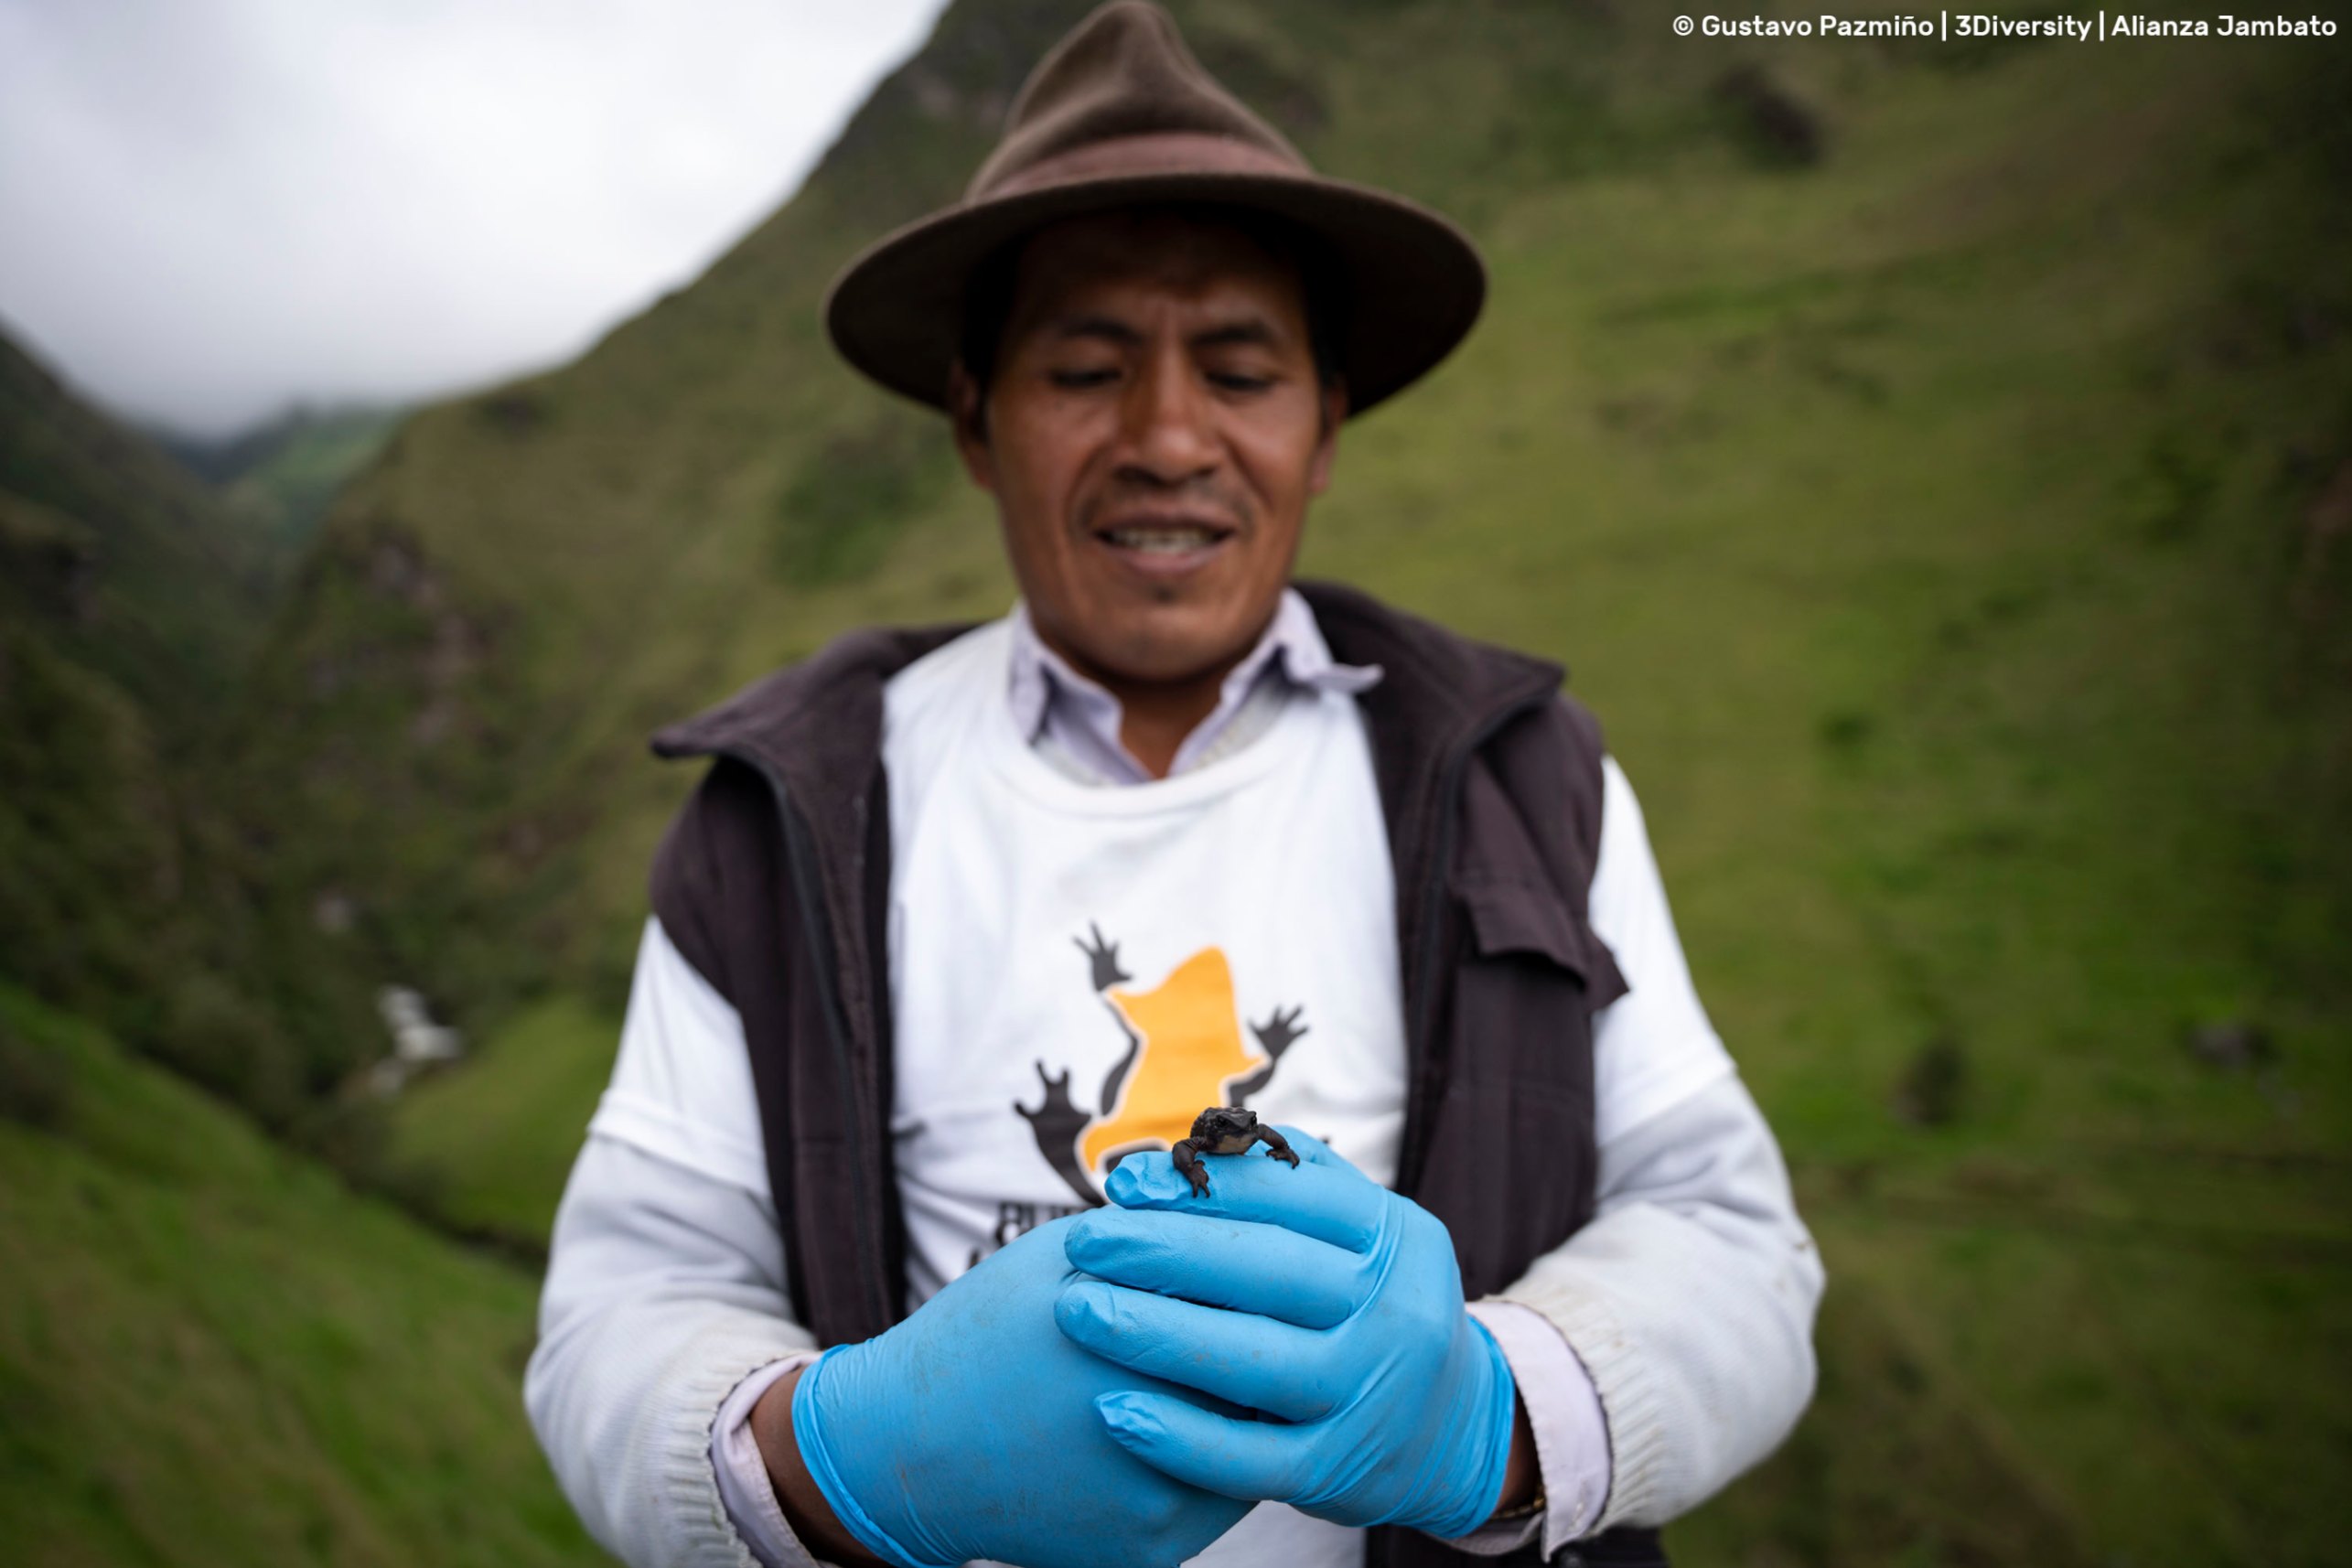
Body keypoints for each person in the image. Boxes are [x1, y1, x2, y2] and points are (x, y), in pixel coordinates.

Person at [524, 5, 1822, 1567]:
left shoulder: (1529, 780)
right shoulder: (786, 813)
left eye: (1240, 368)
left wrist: (1497, 1414)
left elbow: (1733, 1237)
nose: (1165, 436)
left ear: (1324, 425)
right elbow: (624, 1302)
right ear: (974, 420)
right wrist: (835, 1455)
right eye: (1085, 366)